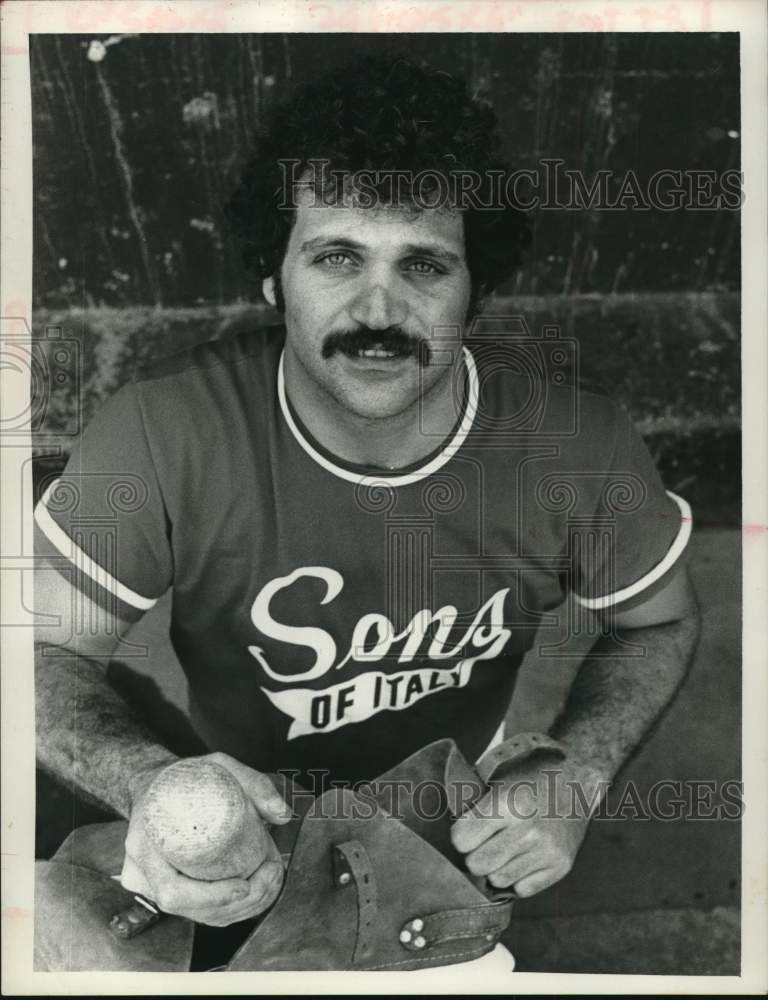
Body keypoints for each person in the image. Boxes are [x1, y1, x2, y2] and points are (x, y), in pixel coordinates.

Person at [33, 55, 701, 963]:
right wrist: (146, 779)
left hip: (449, 804)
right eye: (336, 257)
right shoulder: (161, 431)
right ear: (272, 280)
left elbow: (656, 624)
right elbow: (37, 654)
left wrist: (574, 776)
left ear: (476, 291)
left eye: (425, 265)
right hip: (236, 787)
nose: (379, 308)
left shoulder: (577, 445)